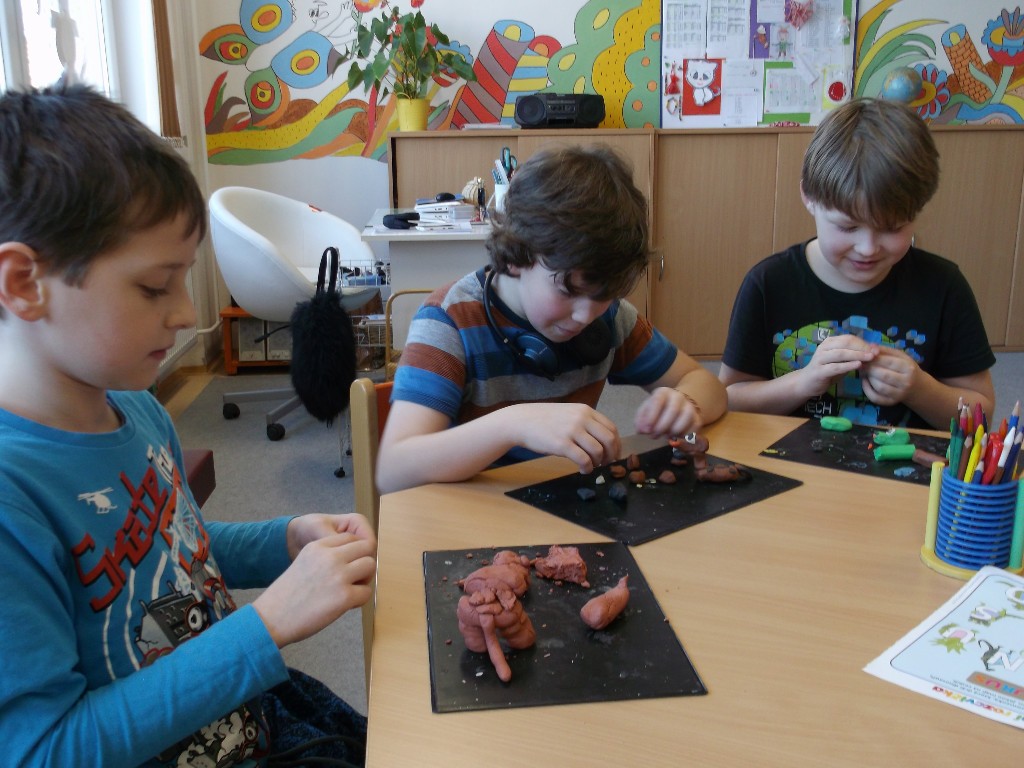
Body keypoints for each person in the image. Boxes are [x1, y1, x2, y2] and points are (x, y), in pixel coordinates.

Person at [0, 83, 376, 767]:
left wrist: (285, 539)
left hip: (246, 715)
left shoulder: (137, 407)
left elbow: (177, 550)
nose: (185, 313)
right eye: (154, 286)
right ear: (25, 283)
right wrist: (265, 627)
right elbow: (47, 749)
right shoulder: (12, 497)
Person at [376, 144, 727, 494]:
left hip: (562, 502)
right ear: (516, 256)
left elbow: (707, 384)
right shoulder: (448, 322)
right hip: (470, 512)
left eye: (603, 295)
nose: (586, 315)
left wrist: (687, 404)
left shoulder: (610, 318)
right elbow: (393, 470)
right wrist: (512, 425)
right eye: (568, 290)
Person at [719, 97, 995, 430]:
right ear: (809, 197)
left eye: (892, 228)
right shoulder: (769, 284)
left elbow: (982, 414)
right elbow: (729, 398)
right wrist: (803, 382)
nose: (867, 249)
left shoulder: (944, 287)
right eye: (848, 227)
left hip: (907, 461)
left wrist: (920, 389)